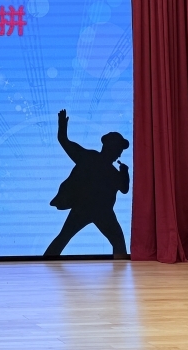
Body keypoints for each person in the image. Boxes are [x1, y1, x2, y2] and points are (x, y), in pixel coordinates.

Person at [44, 110, 130, 258]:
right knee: (64, 237)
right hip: (84, 208)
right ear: (109, 146)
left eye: (120, 150)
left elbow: (124, 189)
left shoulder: (112, 172)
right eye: (118, 149)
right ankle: (45, 263)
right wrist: (62, 125)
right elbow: (64, 141)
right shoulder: (89, 157)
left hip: (101, 211)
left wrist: (124, 172)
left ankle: (121, 268)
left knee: (118, 241)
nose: (119, 154)